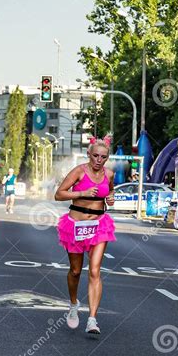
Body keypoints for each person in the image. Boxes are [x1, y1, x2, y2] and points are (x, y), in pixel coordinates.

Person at [55, 135, 116, 336]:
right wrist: (81, 193)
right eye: (96, 156)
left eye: (103, 157)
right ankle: (73, 303)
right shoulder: (79, 172)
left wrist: (111, 198)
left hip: (99, 224)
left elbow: (110, 192)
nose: (99, 160)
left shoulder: (109, 174)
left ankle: (92, 319)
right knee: (75, 270)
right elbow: (59, 194)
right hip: (76, 225)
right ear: (89, 155)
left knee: (95, 271)